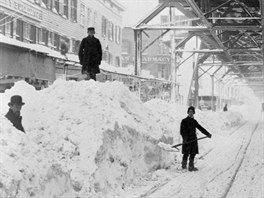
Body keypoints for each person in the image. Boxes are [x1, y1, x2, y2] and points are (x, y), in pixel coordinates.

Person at [180, 106, 212, 171]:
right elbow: (182, 131)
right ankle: (184, 165)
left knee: (193, 153)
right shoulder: (184, 121)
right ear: (188, 112)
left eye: (192, 112)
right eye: (190, 111)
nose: (191, 113)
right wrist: (185, 139)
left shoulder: (194, 121)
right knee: (186, 153)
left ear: (194, 113)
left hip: (193, 139)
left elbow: (201, 128)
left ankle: (191, 166)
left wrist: (207, 134)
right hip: (187, 140)